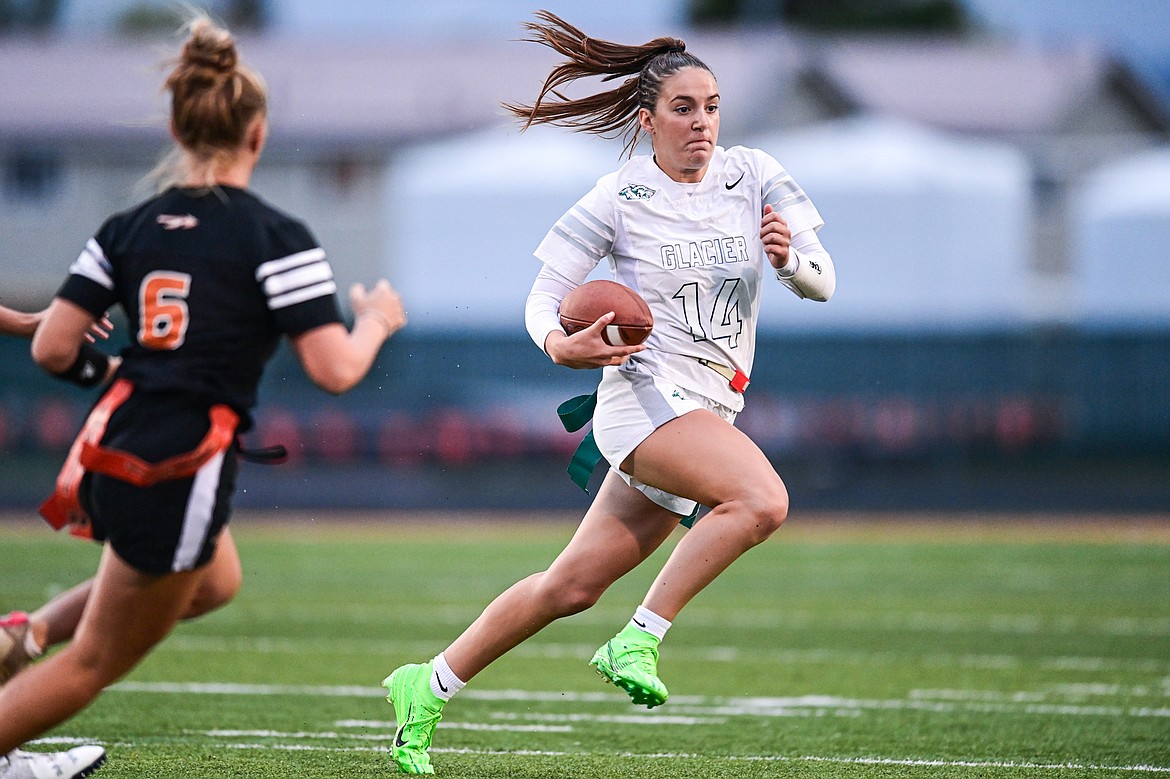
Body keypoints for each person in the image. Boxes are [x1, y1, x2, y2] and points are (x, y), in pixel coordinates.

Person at [380, 10, 835, 775]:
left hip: (710, 404)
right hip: (645, 401)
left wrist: (790, 264)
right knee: (762, 500)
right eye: (684, 108)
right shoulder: (617, 196)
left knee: (570, 584)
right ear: (647, 117)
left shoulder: (753, 173)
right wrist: (561, 343)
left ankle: (424, 687)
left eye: (713, 106)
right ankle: (641, 637)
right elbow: (541, 298)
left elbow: (823, 281)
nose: (702, 123)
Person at [0, 14, 406, 778]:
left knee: (214, 580)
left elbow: (53, 346)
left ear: (178, 129)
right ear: (256, 136)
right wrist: (378, 320)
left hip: (110, 441)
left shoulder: (128, 225)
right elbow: (336, 370)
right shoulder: (274, 234)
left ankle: (20, 632)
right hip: (177, 459)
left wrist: (118, 376)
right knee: (96, 662)